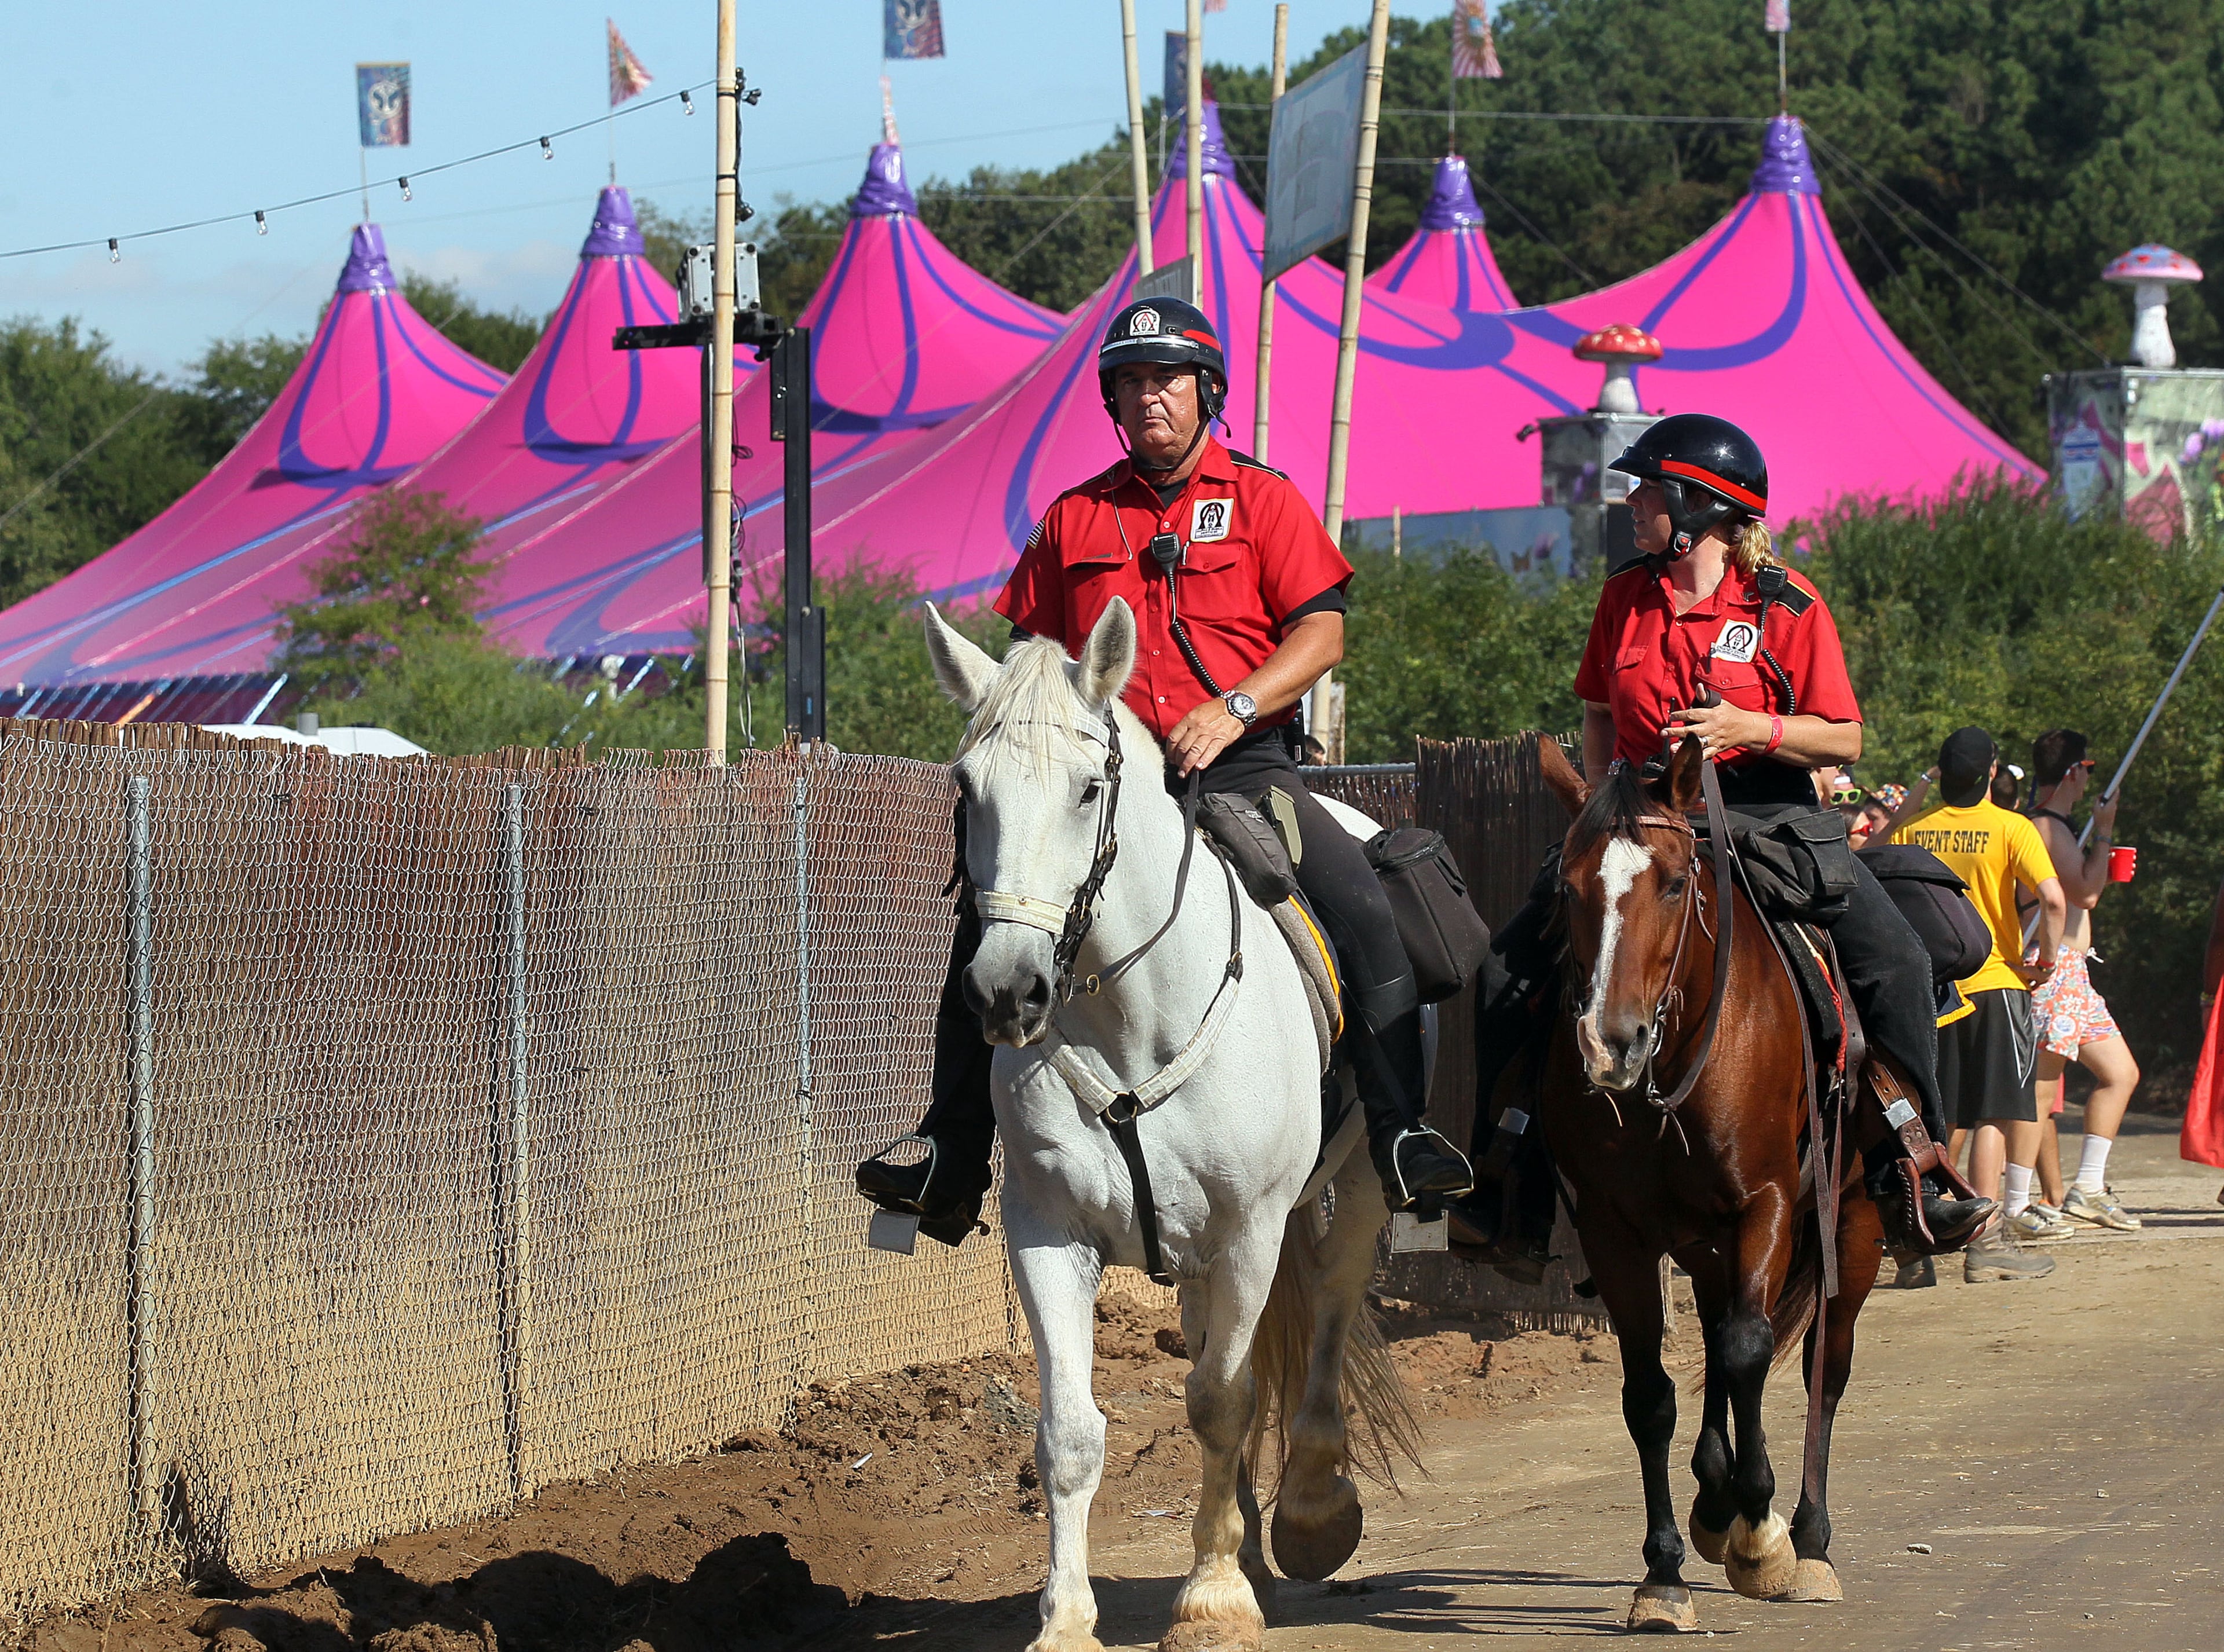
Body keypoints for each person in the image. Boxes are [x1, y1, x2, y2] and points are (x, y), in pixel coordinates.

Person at [855, 296, 1472, 1243]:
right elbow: (1029, 663)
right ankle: (949, 1152)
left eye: (1167, 380)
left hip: (1240, 764)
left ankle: (1401, 1142)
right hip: (1100, 784)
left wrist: (1234, 708)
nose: (1149, 398)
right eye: (1131, 383)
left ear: (1207, 393)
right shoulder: (1075, 517)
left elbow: (1322, 630)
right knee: (988, 928)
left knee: (1358, 902)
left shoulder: (1264, 498)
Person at [1451, 413, 1992, 1263]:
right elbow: (1599, 711)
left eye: (1649, 490)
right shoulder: (1623, 595)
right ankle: (1504, 1182)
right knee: (1504, 968)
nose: (1633, 503)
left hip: (1767, 819)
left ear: (1700, 507)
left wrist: (1754, 725)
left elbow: (1843, 738)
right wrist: (1601, 809)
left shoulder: (1789, 603)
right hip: (1644, 825)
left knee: (1899, 963)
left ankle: (1912, 1170)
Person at [1892, 728, 2068, 1283]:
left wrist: (1916, 796)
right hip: (1997, 982)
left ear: (1942, 775)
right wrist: (2046, 958)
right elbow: (2055, 899)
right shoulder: (2012, 827)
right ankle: (1983, 1240)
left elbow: (1872, 851)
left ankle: (1915, 1241)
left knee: (1932, 1116)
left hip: (1936, 990)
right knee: (1992, 1113)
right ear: (1992, 772)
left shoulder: (1916, 832)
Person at [2025, 730, 2142, 1229]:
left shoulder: (2056, 824)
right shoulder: (2049, 827)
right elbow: (2086, 894)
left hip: (2076, 974)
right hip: (2054, 970)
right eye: (2088, 768)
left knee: (2122, 1073)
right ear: (2074, 771)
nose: (2091, 776)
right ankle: (2014, 1201)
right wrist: (2104, 830)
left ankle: (2088, 1186)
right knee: (2040, 1087)